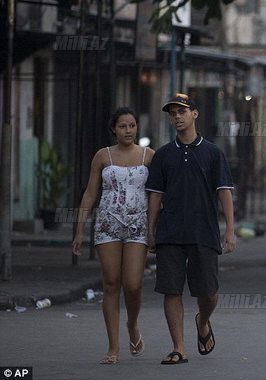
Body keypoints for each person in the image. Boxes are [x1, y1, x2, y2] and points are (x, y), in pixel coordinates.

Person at [146, 93, 236, 365]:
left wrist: (230, 230)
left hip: (203, 232)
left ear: (195, 114)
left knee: (207, 292)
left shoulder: (212, 152)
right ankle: (179, 347)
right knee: (171, 290)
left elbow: (224, 192)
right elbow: (155, 195)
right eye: (173, 113)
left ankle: (203, 320)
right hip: (170, 233)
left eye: (182, 111)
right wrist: (151, 230)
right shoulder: (163, 155)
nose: (177, 117)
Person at [72, 107, 154, 364]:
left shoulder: (149, 156)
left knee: (133, 284)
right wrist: (78, 231)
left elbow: (158, 196)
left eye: (132, 126)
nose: (128, 131)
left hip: (138, 225)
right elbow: (89, 193)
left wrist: (155, 228)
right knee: (110, 283)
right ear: (114, 129)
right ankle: (113, 348)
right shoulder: (102, 156)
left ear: (137, 128)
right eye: (122, 126)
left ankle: (132, 324)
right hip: (108, 224)